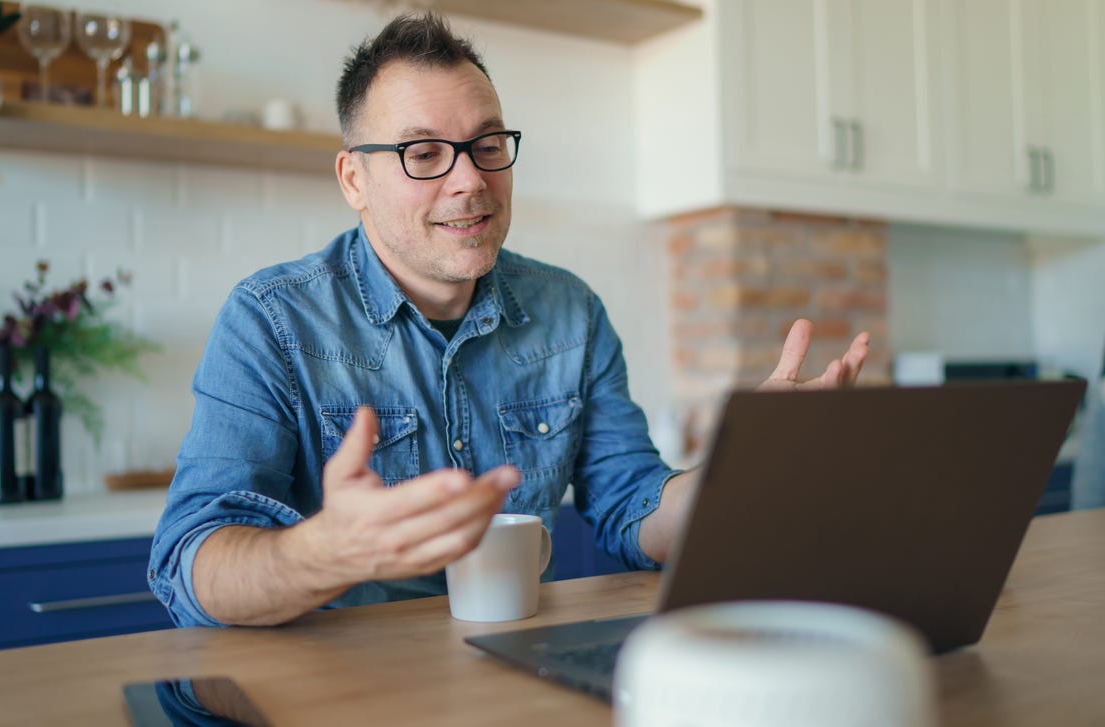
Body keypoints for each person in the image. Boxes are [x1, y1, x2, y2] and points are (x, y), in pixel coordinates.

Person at [147, 13, 870, 628]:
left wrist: (738, 474)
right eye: (423, 152)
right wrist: (326, 551)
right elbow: (189, 561)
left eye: (488, 145)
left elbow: (629, 506)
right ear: (353, 180)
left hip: (520, 675)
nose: (469, 179)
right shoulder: (271, 320)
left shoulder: (569, 311)